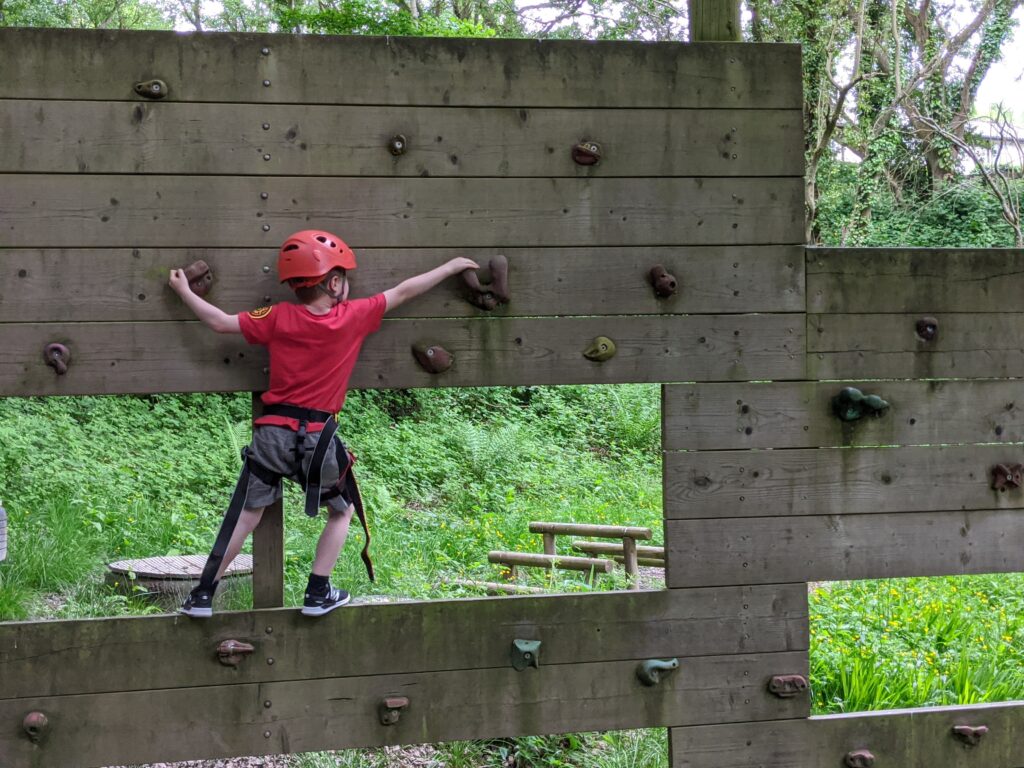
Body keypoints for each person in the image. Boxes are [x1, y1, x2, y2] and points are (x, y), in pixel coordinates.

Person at [168, 230, 477, 617]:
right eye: (343, 276)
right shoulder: (353, 317)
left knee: (247, 513)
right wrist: (450, 266)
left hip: (273, 435)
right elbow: (403, 292)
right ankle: (318, 592)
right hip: (318, 439)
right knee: (342, 510)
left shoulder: (277, 317)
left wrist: (184, 291)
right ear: (334, 282)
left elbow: (219, 323)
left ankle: (202, 596)